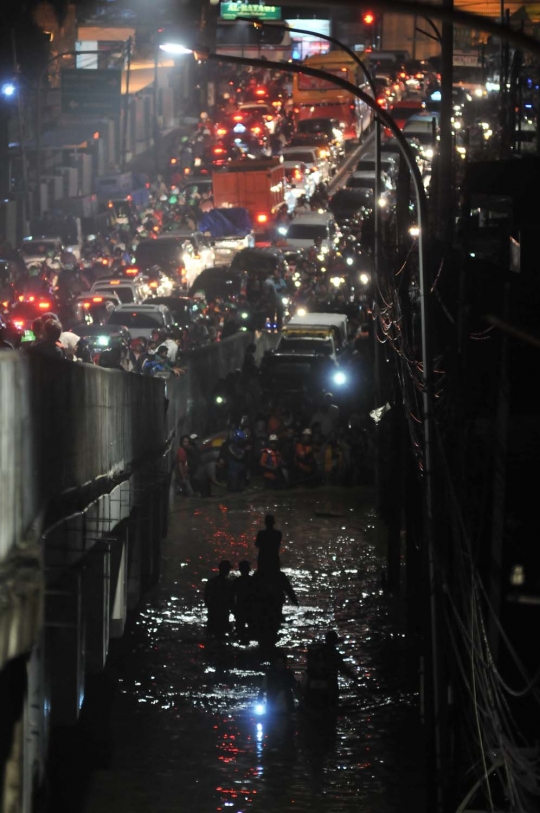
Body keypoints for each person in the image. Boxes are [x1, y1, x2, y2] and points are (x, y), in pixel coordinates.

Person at [302, 630, 356, 712]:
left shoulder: (317, 652)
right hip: (330, 686)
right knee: (331, 709)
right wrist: (355, 678)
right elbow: (343, 669)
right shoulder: (335, 654)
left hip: (314, 686)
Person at [204, 560, 233, 635]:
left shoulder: (211, 582)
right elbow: (231, 599)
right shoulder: (228, 584)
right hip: (223, 612)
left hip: (213, 612)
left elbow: (206, 597)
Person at [231, 561, 254, 643]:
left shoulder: (236, 582)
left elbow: (231, 597)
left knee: (240, 630)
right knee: (252, 630)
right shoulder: (253, 581)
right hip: (251, 609)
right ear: (249, 569)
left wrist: (233, 608)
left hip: (240, 608)